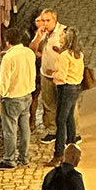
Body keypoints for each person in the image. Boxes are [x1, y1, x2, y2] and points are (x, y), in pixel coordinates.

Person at [0, 33, 37, 170]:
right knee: (24, 128)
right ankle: (23, 158)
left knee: (10, 130)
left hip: (13, 97)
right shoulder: (29, 53)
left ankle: (9, 159)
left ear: (7, 42)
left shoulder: (9, 57)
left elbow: (5, 78)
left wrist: (1, 94)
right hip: (27, 94)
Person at [49, 29, 85, 165]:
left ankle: (58, 153)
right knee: (70, 119)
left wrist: (52, 73)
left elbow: (62, 76)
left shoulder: (64, 56)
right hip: (76, 87)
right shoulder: (79, 54)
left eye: (62, 36)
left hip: (66, 88)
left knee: (61, 120)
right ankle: (72, 145)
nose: (60, 37)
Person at [31, 10, 67, 142]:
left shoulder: (63, 32)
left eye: (48, 21)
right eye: (43, 20)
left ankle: (73, 132)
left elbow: (72, 52)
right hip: (46, 74)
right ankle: (52, 130)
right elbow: (32, 50)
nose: (45, 24)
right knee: (48, 103)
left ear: (55, 20)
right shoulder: (42, 34)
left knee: (66, 105)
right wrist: (37, 38)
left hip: (61, 76)